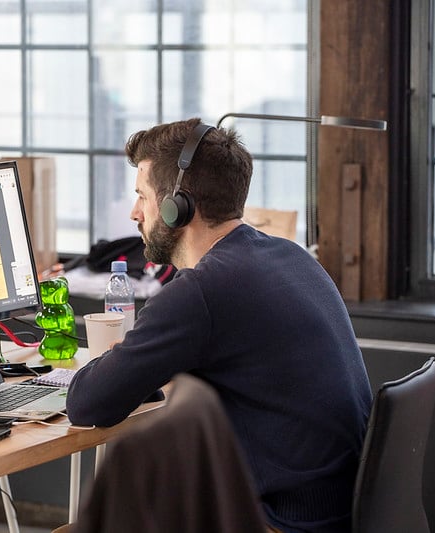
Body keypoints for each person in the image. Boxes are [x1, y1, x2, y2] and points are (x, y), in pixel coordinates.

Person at [66, 117, 373, 533]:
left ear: (178, 207)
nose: (135, 212)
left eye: (142, 196)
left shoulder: (204, 291)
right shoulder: (290, 256)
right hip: (338, 513)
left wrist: (116, 368)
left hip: (280, 524)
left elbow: (87, 403)